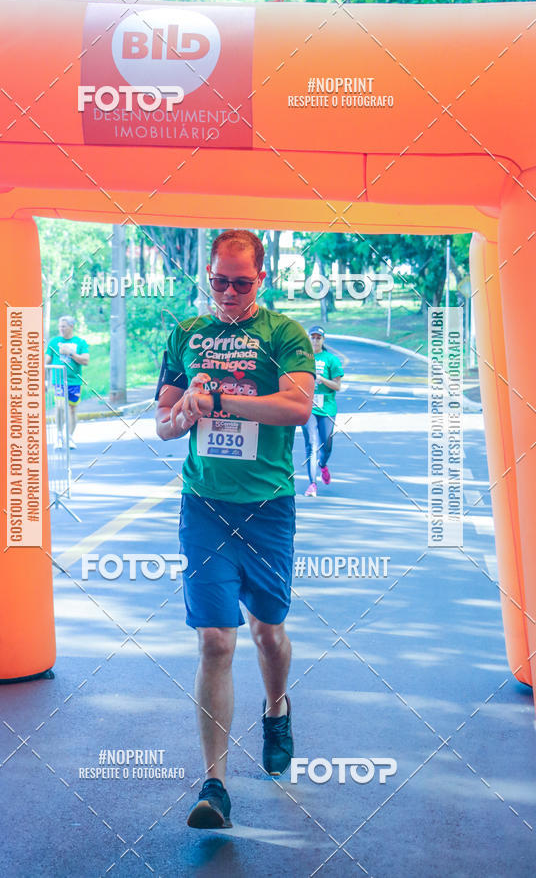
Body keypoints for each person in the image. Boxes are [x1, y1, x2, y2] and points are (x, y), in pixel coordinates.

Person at [155, 229, 315, 829]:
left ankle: (276, 708)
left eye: (240, 282)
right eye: (217, 279)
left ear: (262, 280)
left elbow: (298, 409)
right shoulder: (187, 335)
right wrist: (184, 411)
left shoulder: (284, 335)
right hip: (204, 506)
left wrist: (220, 397)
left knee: (267, 632)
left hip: (268, 507)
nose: (226, 292)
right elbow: (164, 426)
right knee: (216, 640)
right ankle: (215, 784)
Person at [302, 326, 344, 497]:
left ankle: (323, 465)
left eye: (319, 338)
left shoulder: (331, 360)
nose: (315, 340)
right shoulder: (302, 358)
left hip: (326, 408)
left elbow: (338, 386)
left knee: (326, 445)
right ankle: (312, 484)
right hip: (308, 407)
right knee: (311, 444)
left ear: (323, 340)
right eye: (312, 337)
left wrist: (322, 379)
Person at [45, 316, 90, 449]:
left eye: (64, 326)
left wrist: (70, 353)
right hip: (59, 381)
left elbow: (85, 361)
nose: (61, 329)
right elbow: (46, 361)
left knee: (72, 409)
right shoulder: (54, 342)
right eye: (60, 326)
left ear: (71, 327)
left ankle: (69, 437)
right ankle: (59, 436)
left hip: (74, 382)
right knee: (59, 407)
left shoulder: (80, 342)